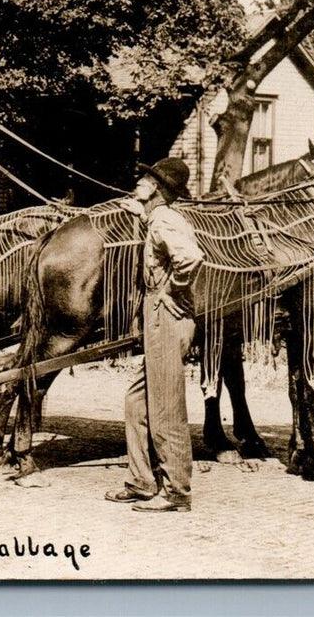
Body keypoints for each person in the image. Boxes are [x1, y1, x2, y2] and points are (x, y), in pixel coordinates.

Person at [105, 157, 203, 513]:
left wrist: (170, 291)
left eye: (148, 179)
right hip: (158, 316)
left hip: (167, 316)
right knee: (137, 401)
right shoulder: (157, 217)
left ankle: (177, 491)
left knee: (165, 407)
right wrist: (138, 210)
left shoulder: (165, 219)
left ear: (158, 189)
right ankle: (142, 480)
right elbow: (152, 224)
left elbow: (190, 258)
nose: (141, 180)